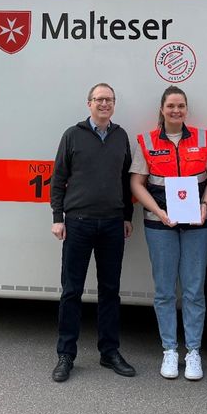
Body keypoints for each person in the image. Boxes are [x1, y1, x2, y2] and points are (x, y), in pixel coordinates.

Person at [130, 86, 207, 381]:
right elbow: (136, 184)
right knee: (165, 290)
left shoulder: (204, 138)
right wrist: (159, 212)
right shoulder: (146, 141)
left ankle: (193, 352)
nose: (176, 111)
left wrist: (206, 204)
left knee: (194, 289)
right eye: (171, 106)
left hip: (197, 224)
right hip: (160, 225)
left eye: (180, 106)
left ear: (186, 109)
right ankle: (169, 350)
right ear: (162, 109)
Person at [49, 82, 135, 382]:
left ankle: (109, 352)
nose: (104, 104)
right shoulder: (72, 135)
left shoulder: (121, 136)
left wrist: (127, 216)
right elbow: (58, 178)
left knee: (110, 291)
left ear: (114, 104)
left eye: (109, 100)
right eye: (99, 99)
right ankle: (65, 355)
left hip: (112, 223)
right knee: (71, 291)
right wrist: (57, 217)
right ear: (89, 103)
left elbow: (126, 182)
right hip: (78, 223)